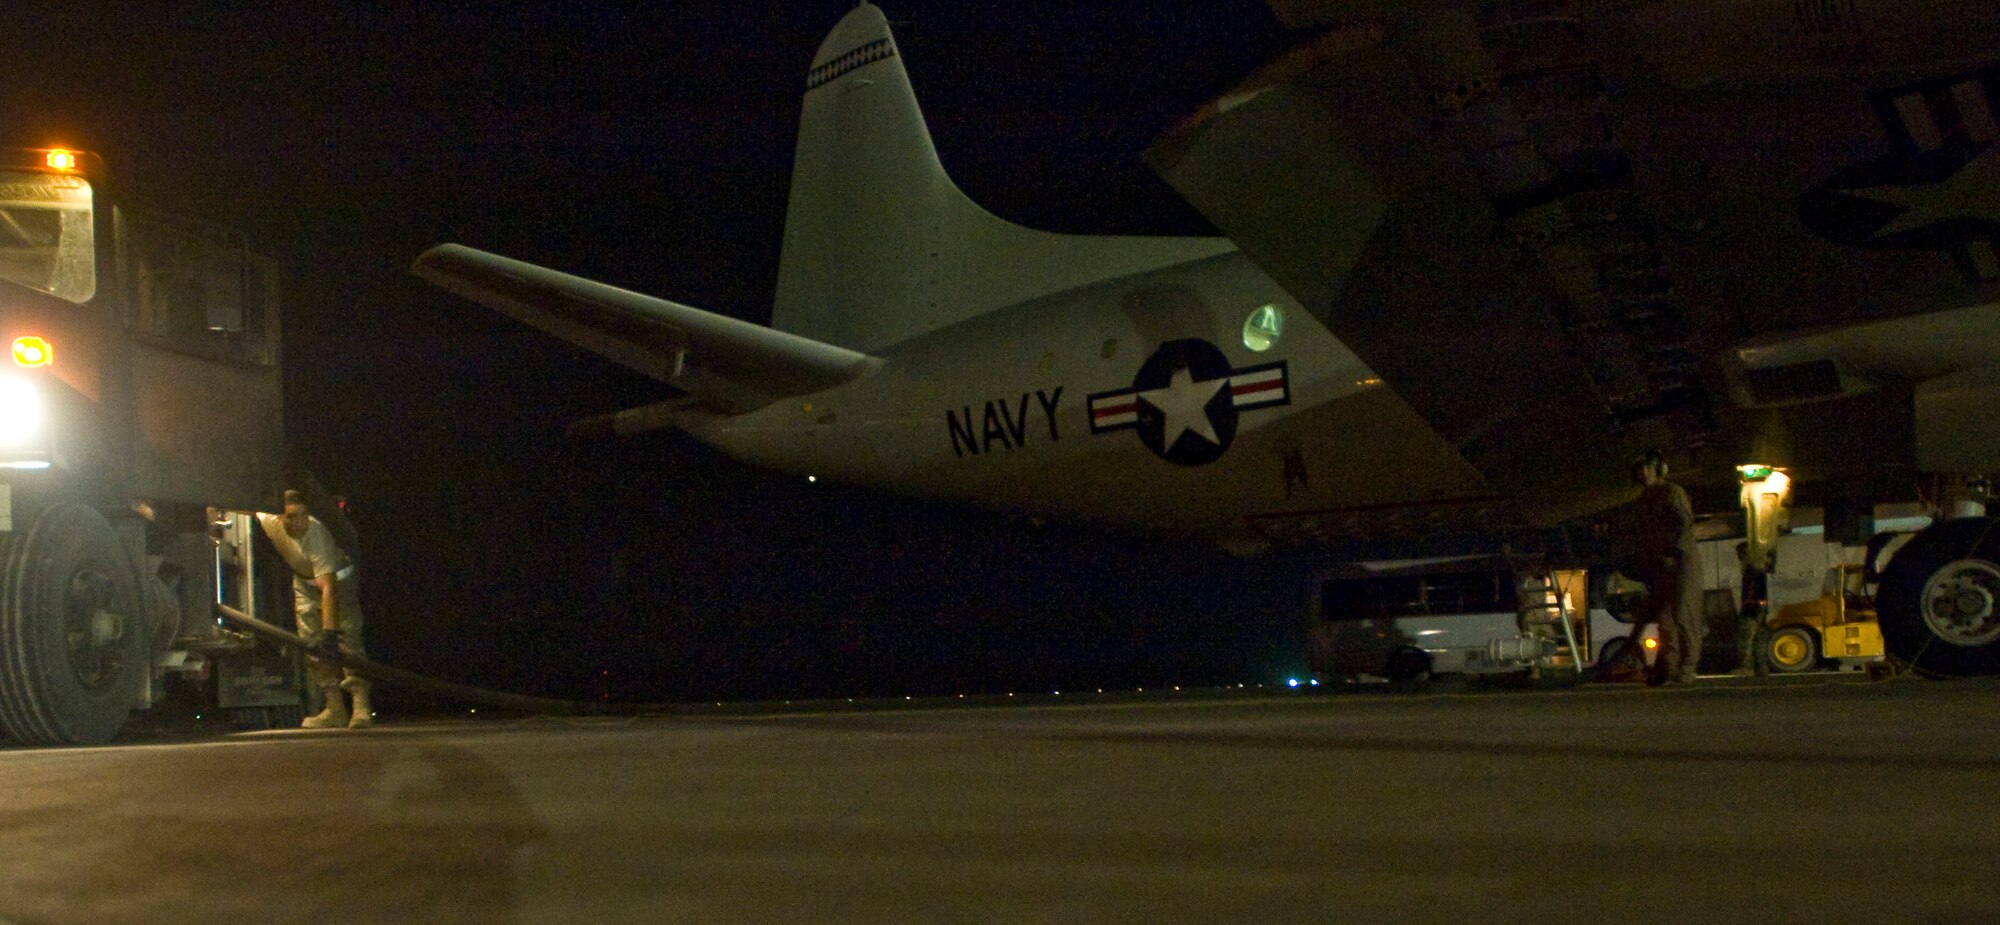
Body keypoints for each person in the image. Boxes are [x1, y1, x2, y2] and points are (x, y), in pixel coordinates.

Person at [257, 490, 372, 728]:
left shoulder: (315, 533)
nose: (299, 522)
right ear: (280, 517)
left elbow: (328, 587)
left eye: (303, 515)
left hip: (338, 582)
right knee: (310, 642)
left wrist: (329, 632)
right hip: (304, 581)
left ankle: (361, 707)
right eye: (291, 516)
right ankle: (334, 708)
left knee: (346, 639)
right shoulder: (269, 521)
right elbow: (244, 505)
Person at [1628, 451, 1704, 685]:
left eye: (1649, 467)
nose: (1644, 472)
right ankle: (1668, 668)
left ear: (1660, 469)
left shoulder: (1672, 492)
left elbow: (1684, 526)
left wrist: (1672, 553)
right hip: (1660, 564)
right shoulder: (1642, 500)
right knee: (1665, 619)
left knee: (1683, 612)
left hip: (1682, 561)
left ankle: (1688, 666)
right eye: (1640, 469)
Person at [1734, 541, 1772, 676]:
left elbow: (1756, 593)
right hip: (1760, 609)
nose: (1738, 557)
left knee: (1746, 640)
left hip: (1751, 610)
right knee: (1759, 640)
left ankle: (1746, 667)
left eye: (1740, 554)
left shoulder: (1751, 571)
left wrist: (1754, 609)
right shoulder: (1760, 570)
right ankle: (1762, 669)